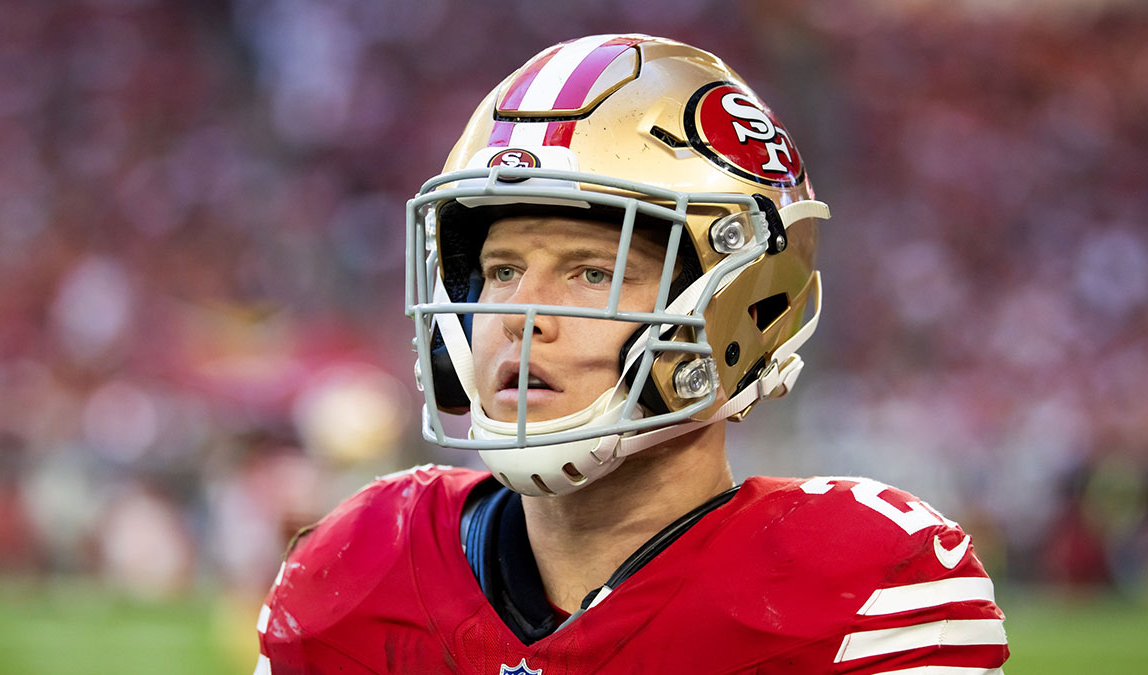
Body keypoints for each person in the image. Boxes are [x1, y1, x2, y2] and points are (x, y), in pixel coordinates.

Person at [255, 34, 1009, 674]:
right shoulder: (361, 564)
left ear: (741, 300)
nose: (521, 317)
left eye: (591, 272)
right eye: (502, 270)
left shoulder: (862, 592)